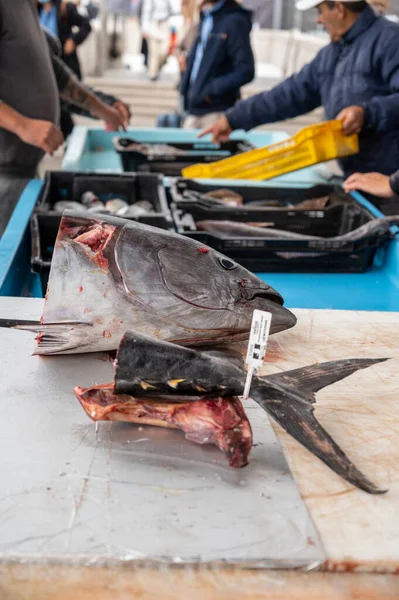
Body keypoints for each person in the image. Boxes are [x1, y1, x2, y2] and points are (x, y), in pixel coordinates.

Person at [200, 1, 399, 178]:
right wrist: (233, 118)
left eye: (319, 11)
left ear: (339, 9)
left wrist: (366, 113)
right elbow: (288, 95)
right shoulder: (331, 55)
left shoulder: (389, 40)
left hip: (390, 182)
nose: (318, 20)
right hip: (358, 178)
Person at [0, 2, 125, 237]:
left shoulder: (26, 7)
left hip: (24, 174)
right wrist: (22, 125)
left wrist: (102, 108)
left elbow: (55, 74)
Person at [181, 0, 255, 130]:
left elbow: (246, 70)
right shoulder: (207, 15)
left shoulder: (234, 20)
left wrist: (211, 90)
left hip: (215, 111)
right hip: (194, 107)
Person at [37, 0, 92, 137]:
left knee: (62, 103)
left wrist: (73, 40)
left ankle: (70, 136)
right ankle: (67, 135)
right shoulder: (34, 9)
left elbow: (86, 25)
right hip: (42, 66)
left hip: (63, 63)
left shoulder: (64, 8)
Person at [141, 0, 175, 81]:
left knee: (164, 51)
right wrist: (144, 29)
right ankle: (152, 73)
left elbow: (174, 10)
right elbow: (146, 12)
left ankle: (158, 66)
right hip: (153, 24)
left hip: (165, 24)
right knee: (153, 52)